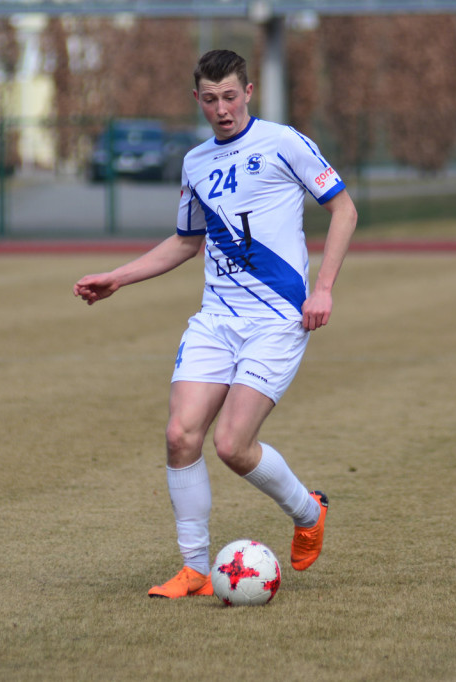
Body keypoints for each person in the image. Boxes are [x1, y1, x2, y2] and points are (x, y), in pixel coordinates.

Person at [73, 50, 358, 599]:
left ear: (248, 91)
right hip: (216, 320)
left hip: (276, 318)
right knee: (181, 435)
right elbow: (186, 240)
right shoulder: (196, 162)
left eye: (230, 96)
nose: (222, 109)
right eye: (210, 99)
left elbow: (343, 209)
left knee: (231, 445)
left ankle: (307, 511)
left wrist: (323, 288)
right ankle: (195, 569)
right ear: (197, 99)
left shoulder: (284, 142)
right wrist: (118, 277)